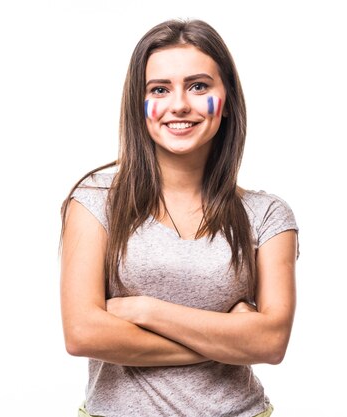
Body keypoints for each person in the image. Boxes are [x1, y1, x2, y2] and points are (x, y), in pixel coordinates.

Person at [59, 18, 299, 417]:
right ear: (140, 106)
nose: (180, 104)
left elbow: (271, 343)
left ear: (228, 102)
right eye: (159, 89)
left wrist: (144, 311)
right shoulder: (94, 203)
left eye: (199, 86)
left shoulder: (267, 215)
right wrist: (230, 338)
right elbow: (83, 333)